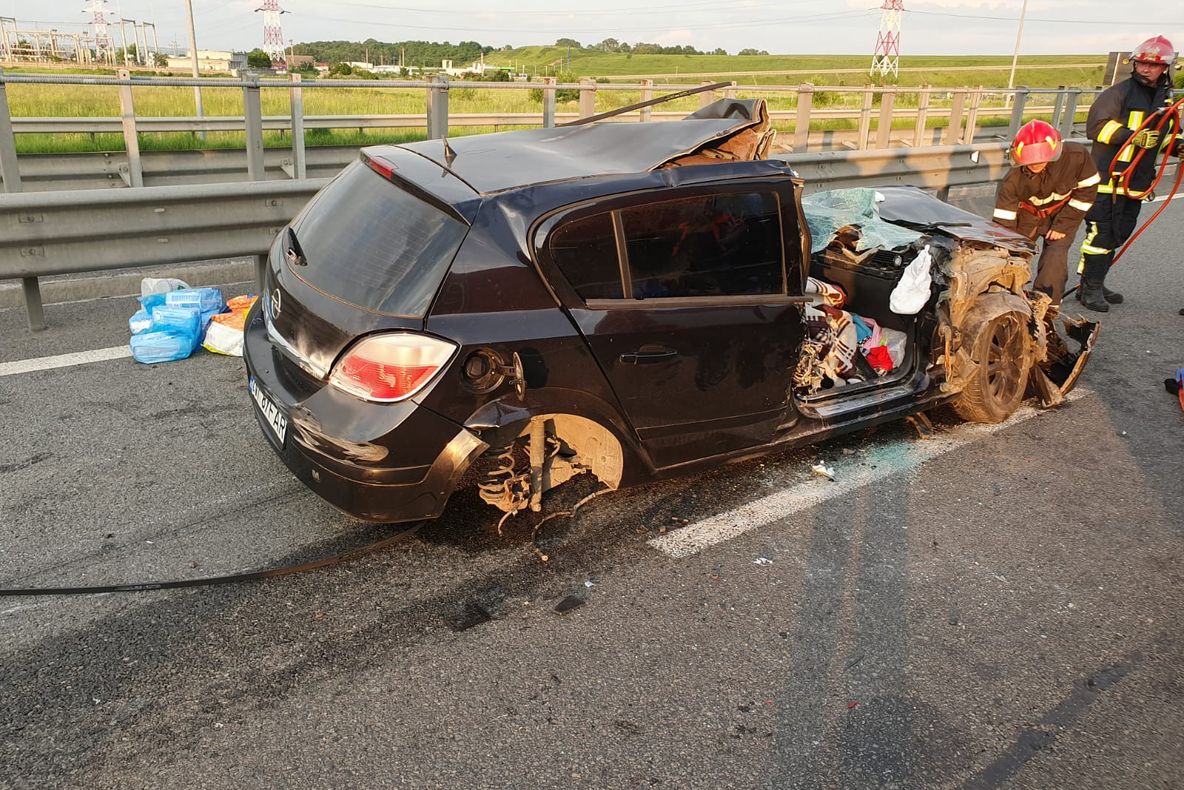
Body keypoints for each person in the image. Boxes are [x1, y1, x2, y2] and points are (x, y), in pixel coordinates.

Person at [1078, 35, 1184, 312]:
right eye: (1141, 63)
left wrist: (1178, 146)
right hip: (1108, 179)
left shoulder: (1164, 98)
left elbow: (1165, 135)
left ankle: (1095, 281)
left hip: (1136, 181)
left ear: (1165, 68)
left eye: (1153, 65)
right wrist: (1132, 136)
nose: (1145, 69)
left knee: (1119, 233)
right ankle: (1088, 288)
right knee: (1100, 235)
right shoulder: (1119, 93)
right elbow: (1096, 127)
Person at [992, 119, 1099, 306]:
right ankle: (1006, 301)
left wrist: (1063, 225)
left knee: (1055, 259)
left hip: (1063, 213)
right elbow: (1004, 221)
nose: (1035, 164)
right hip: (1027, 216)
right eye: (1030, 160)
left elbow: (1087, 192)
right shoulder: (1012, 180)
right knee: (1013, 256)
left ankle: (1047, 306)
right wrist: (1007, 245)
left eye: (1040, 159)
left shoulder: (1077, 157)